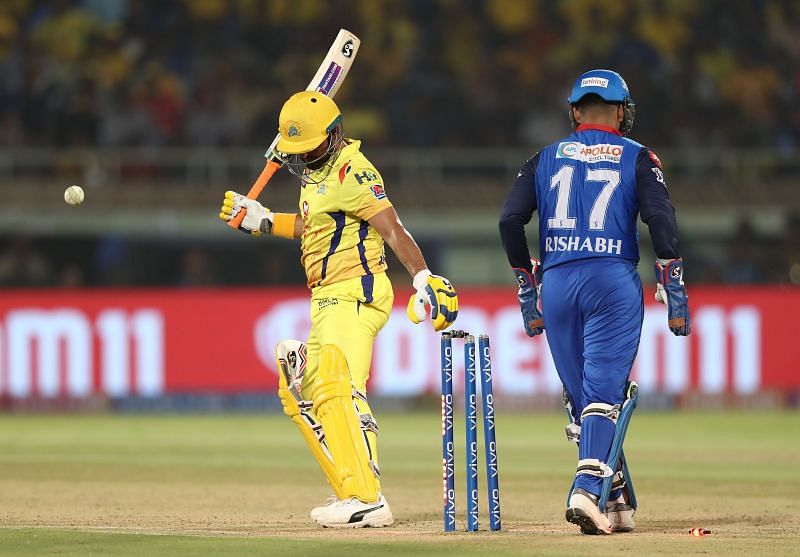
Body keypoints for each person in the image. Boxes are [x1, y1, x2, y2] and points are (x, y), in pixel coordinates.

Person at [219, 91, 458, 528]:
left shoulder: (353, 171)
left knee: (338, 389)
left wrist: (423, 276)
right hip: (328, 296)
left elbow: (393, 228)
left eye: (307, 149)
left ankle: (366, 496)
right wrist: (263, 219)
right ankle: (357, 488)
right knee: (317, 393)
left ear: (332, 136)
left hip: (355, 291)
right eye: (296, 152)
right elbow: (314, 227)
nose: (301, 159)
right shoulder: (316, 172)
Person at [499, 69, 690, 535]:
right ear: (622, 112)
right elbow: (661, 221)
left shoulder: (541, 158)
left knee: (583, 396)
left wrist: (528, 284)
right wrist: (675, 285)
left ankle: (616, 495)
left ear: (574, 112)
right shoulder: (639, 156)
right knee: (604, 393)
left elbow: (509, 221)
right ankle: (586, 489)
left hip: (559, 280)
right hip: (611, 281)